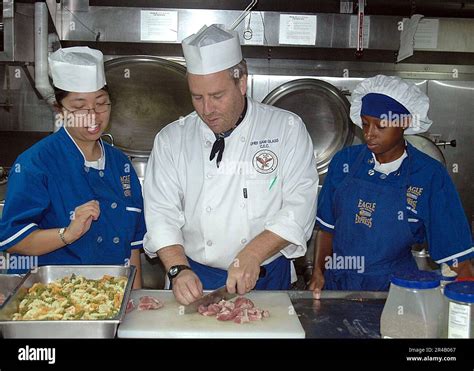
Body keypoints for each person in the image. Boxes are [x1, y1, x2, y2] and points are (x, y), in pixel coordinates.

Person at [143, 24, 318, 305]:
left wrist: (252, 253)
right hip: (195, 279)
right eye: (197, 97)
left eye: (217, 96)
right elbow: (161, 213)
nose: (206, 109)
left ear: (242, 82)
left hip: (266, 277)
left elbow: (300, 206)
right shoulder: (172, 139)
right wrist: (177, 268)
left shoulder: (285, 128)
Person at [309, 75, 473, 296]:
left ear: (404, 123)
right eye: (365, 123)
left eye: (381, 126)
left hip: (396, 291)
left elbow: (457, 256)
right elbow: (327, 228)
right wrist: (318, 272)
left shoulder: (429, 175)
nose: (368, 134)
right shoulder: (345, 162)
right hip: (339, 286)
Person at [0, 47, 144, 287]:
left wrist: (136, 302)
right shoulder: (35, 164)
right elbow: (13, 240)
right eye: (79, 107)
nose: (93, 116)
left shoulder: (121, 165)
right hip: (57, 299)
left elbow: (133, 248)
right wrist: (67, 234)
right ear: (60, 109)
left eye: (101, 103)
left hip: (115, 298)